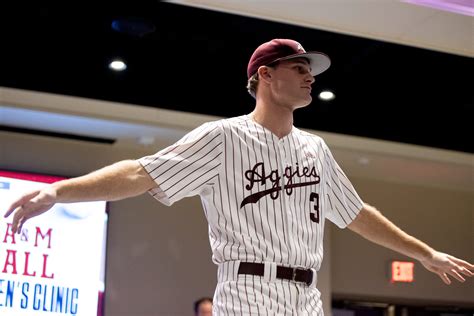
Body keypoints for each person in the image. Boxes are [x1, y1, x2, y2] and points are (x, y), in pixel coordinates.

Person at [4, 39, 473, 315]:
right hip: (247, 292)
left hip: (306, 296)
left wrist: (425, 254)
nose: (311, 78)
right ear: (266, 76)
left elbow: (356, 214)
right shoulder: (224, 138)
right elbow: (140, 173)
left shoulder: (316, 149)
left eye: (311, 72)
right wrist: (59, 191)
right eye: (300, 69)